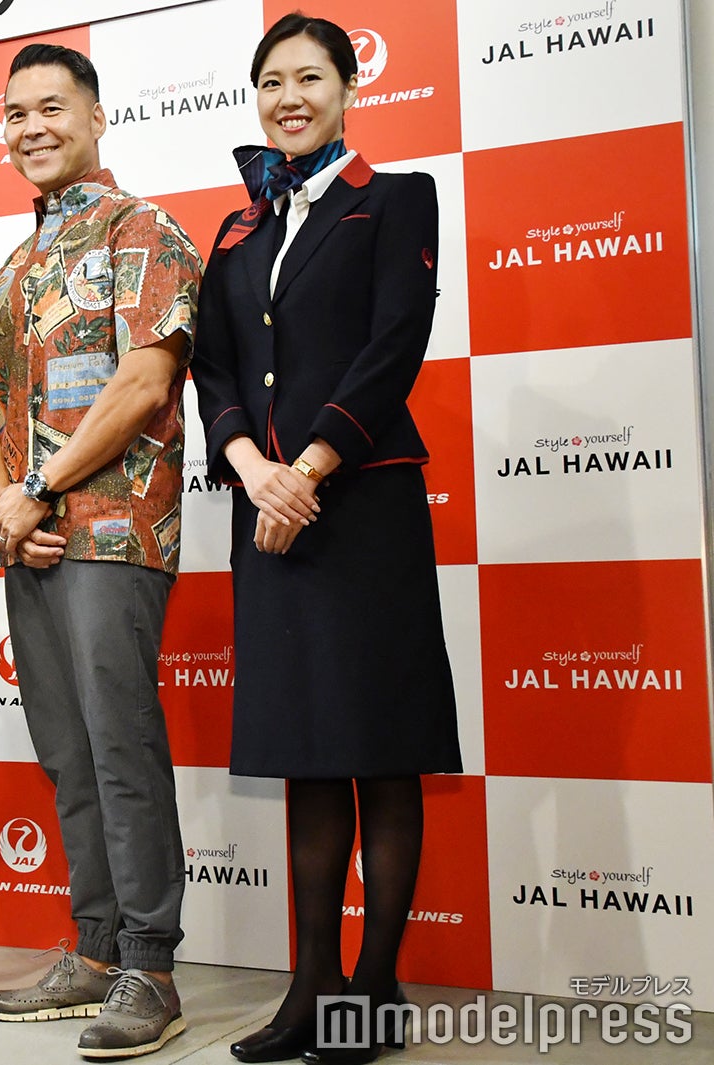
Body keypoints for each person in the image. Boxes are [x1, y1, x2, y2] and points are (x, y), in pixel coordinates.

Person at [189, 14, 461, 1064]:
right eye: (271, 81)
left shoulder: (396, 199)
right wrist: (249, 464)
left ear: (349, 88)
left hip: (360, 509)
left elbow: (395, 343)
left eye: (309, 78)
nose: (289, 97)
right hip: (269, 516)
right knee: (306, 753)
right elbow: (214, 366)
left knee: (379, 752)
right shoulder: (236, 228)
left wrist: (305, 468)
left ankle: (376, 988)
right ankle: (310, 987)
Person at [0, 43, 203, 1062]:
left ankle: (152, 965)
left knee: (119, 747)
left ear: (98, 117)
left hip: (114, 531)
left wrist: (36, 488)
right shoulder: (13, 265)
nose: (32, 127)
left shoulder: (144, 231)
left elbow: (142, 384)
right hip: (31, 541)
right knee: (67, 753)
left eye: (52, 108)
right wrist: (5, 505)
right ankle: (98, 949)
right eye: (15, 113)